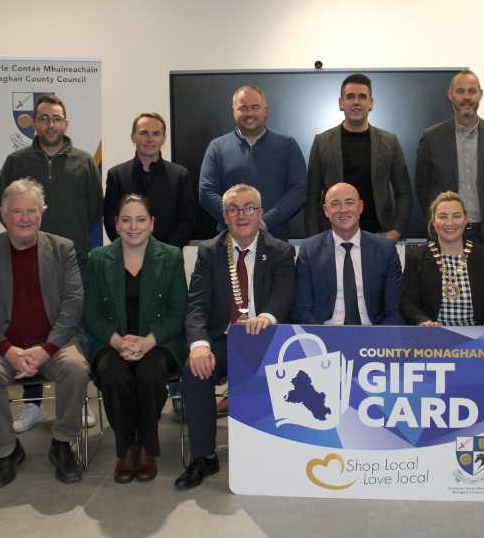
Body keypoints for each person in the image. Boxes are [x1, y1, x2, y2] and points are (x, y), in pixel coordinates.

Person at [0, 178, 89, 489]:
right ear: (3, 215)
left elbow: (73, 304)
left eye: (32, 211)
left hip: (53, 343)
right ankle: (6, 451)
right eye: (17, 211)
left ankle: (62, 444)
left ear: (41, 214)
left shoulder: (62, 249)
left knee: (75, 369)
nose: (25, 218)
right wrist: (8, 349)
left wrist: (46, 349)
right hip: (0, 348)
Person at [175, 184, 296, 489]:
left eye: (249, 208)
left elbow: (284, 295)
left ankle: (272, 452)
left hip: (264, 336)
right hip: (224, 338)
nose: (242, 215)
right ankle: (204, 456)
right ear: (224, 216)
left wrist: (267, 317)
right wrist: (199, 345)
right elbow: (197, 304)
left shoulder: (281, 251)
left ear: (260, 213)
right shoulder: (209, 251)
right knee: (194, 371)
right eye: (233, 209)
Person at [0, 93, 101, 432]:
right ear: (34, 124)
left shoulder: (84, 161)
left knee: (76, 329)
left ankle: (78, 401)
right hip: (27, 259)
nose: (50, 124)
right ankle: (33, 404)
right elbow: (3, 208)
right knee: (31, 327)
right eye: (43, 118)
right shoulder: (16, 161)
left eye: (56, 118)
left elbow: (94, 211)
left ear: (65, 123)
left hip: (74, 260)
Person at [83, 194, 186, 483]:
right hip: (112, 342)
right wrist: (118, 342)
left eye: (140, 220)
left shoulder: (171, 257)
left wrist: (148, 342)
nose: (133, 227)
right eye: (126, 220)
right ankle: (126, 448)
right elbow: (90, 313)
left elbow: (179, 311)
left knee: (149, 374)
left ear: (152, 223)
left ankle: (147, 448)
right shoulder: (98, 259)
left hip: (158, 343)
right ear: (116, 224)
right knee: (113, 374)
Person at [415, 69, 484, 249]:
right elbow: (422, 187)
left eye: (472, 91)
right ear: (450, 95)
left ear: (480, 94)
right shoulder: (432, 138)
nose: (467, 97)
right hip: (447, 232)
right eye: (460, 91)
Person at [305, 73, 412, 240]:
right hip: (333, 236)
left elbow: (404, 192)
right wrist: (315, 239)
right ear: (341, 103)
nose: (356, 102)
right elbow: (312, 196)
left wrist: (396, 231)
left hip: (379, 235)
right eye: (350, 96)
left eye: (362, 96)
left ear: (371, 103)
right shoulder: (322, 142)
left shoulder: (390, 142)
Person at [198, 84, 306, 240]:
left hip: (274, 239)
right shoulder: (217, 147)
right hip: (229, 239)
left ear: (265, 111)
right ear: (234, 111)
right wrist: (237, 220)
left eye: (255, 107)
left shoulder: (287, 145)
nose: (249, 113)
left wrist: (264, 222)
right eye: (243, 108)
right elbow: (206, 192)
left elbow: (298, 190)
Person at [293, 182, 404, 326]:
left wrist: (378, 336)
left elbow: (394, 310)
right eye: (335, 204)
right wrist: (320, 335)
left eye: (349, 202)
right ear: (326, 211)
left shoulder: (385, 250)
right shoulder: (309, 250)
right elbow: (302, 309)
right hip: (325, 332)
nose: (343, 210)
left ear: (360, 207)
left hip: (372, 331)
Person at [400, 191, 484, 327]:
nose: (450, 222)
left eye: (456, 216)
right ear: (434, 222)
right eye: (443, 217)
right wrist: (422, 321)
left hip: (476, 335)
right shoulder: (416, 256)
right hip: (432, 334)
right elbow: (407, 302)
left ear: (465, 220)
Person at [103, 112, 195, 247]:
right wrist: (131, 248)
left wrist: (164, 252)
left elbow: (187, 221)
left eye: (156, 134)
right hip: (127, 254)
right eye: (144, 133)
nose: (150, 139)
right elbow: (111, 220)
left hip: (169, 256)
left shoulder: (180, 176)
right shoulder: (116, 175)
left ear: (163, 138)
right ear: (133, 136)